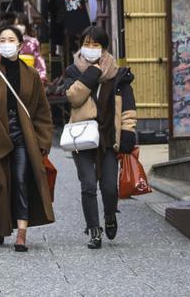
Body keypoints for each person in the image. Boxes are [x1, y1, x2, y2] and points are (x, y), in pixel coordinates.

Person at [0, 25, 55, 252]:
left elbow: (42, 110)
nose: (7, 43)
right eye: (3, 39)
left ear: (20, 45)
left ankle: (21, 232)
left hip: (23, 137)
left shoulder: (30, 75)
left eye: (11, 39)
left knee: (21, 180)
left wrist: (42, 142)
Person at [61, 25, 137, 249]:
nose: (91, 48)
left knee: (110, 188)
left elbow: (129, 109)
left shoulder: (118, 75)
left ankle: (110, 215)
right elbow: (74, 98)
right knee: (88, 185)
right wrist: (92, 72)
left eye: (96, 45)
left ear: (104, 48)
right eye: (87, 44)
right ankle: (94, 231)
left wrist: (128, 133)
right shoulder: (73, 71)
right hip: (82, 137)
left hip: (108, 138)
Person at [2, 12, 47, 82]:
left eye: (21, 24)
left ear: (26, 26)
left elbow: (39, 62)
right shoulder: (7, 43)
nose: (19, 27)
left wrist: (41, 78)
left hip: (30, 79)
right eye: (16, 24)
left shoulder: (33, 42)